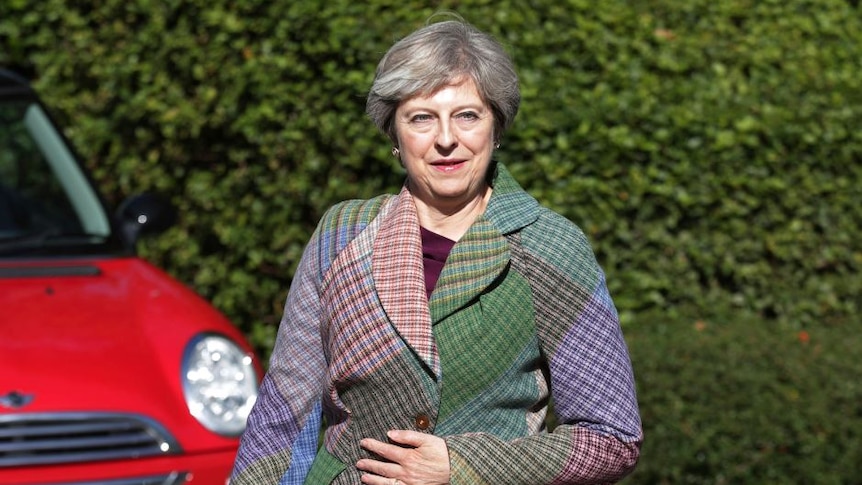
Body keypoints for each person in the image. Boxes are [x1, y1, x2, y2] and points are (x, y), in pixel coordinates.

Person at [231, 16, 642, 485]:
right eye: (422, 117)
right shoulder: (342, 234)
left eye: (467, 115)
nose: (446, 138)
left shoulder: (548, 247)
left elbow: (611, 437)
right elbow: (285, 413)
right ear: (394, 135)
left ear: (496, 127)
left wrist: (463, 466)